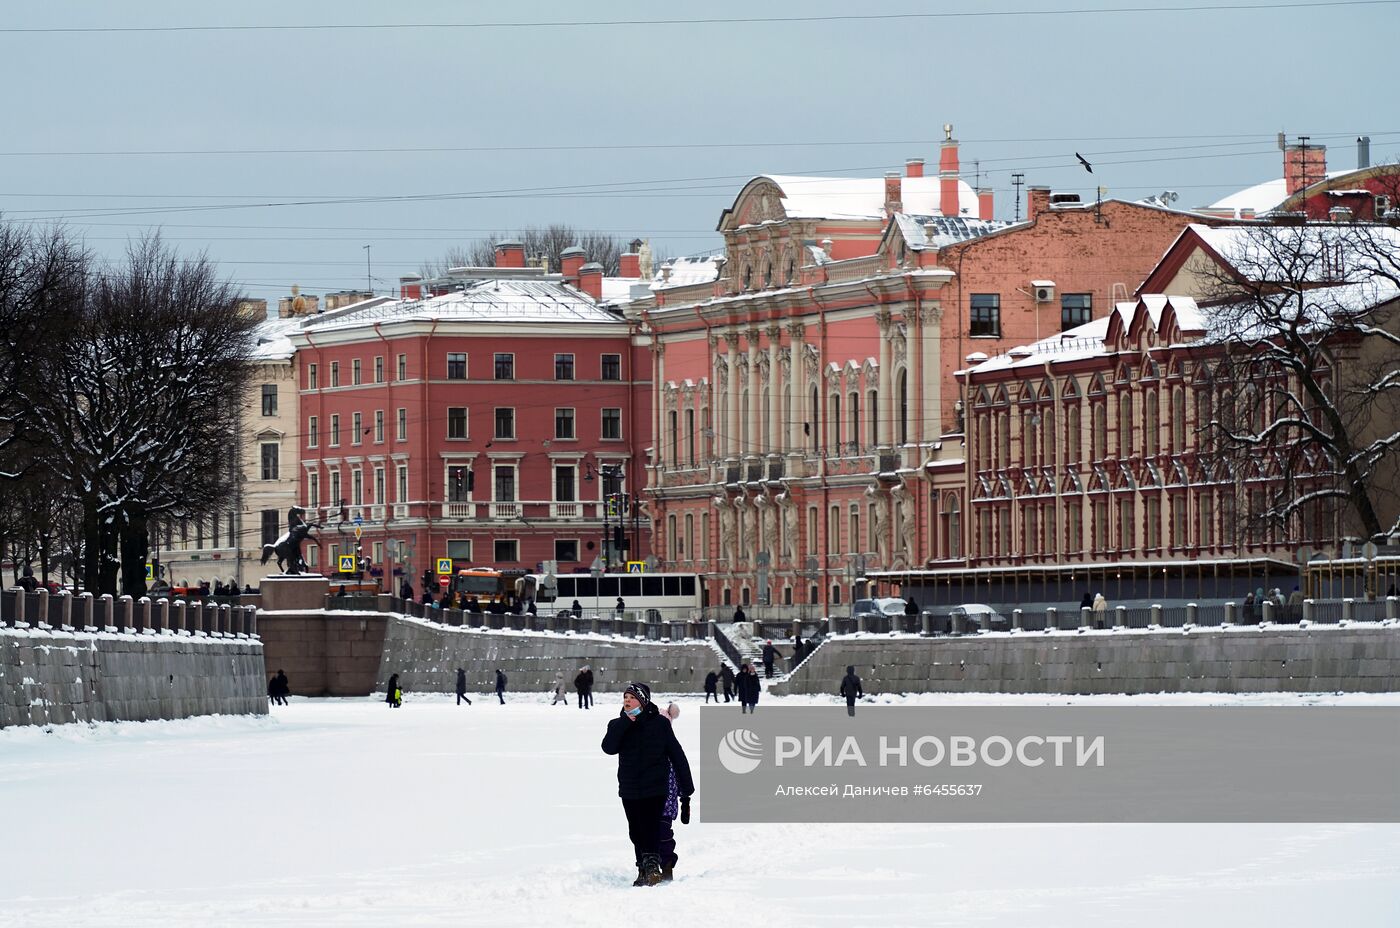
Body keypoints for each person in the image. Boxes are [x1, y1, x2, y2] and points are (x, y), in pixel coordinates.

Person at [600, 682, 694, 887]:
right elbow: (608, 747)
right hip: (629, 786)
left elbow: (677, 755)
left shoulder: (660, 724)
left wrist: (687, 789)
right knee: (636, 830)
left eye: (632, 697)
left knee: (652, 826)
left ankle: (652, 867)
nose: (627, 700)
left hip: (655, 786)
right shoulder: (617, 724)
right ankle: (642, 868)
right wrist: (626, 722)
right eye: (625, 697)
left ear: (642, 700)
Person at [657, 702, 684, 882]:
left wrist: (684, 797)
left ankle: (667, 865)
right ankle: (655, 864)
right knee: (653, 834)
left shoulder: (671, 751)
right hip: (650, 799)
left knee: (663, 832)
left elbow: (682, 773)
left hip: (666, 802)